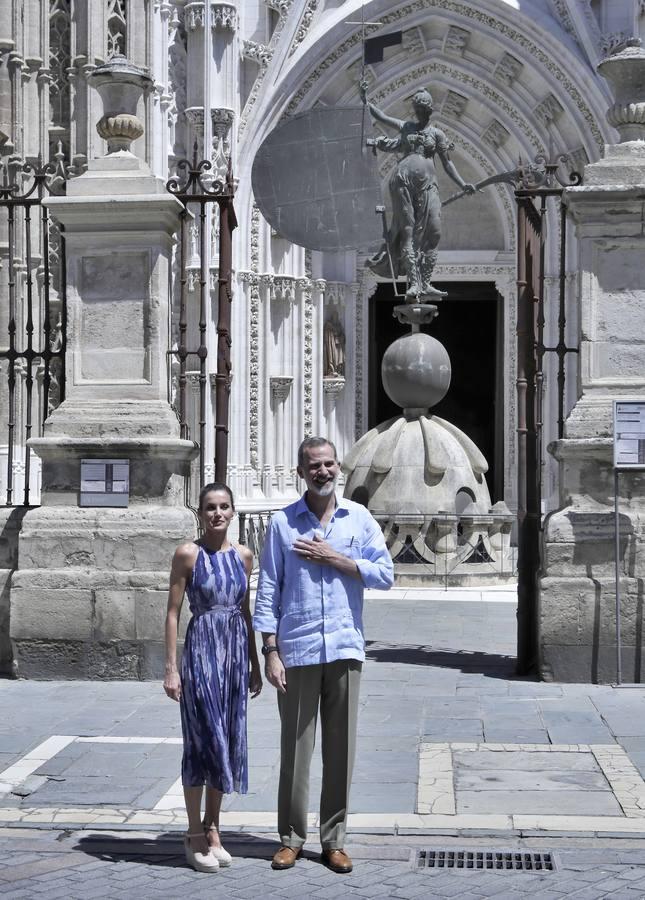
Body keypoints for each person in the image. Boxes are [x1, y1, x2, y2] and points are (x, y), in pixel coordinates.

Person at [253, 437, 394, 874]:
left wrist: (339, 559)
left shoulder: (359, 519)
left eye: (330, 464)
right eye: (315, 465)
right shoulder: (282, 524)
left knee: (341, 750)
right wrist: (270, 651)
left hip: (346, 646)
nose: (323, 471)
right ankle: (291, 838)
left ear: (339, 469)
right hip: (297, 650)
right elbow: (268, 591)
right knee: (296, 749)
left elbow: (385, 574)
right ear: (301, 471)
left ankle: (334, 839)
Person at [164, 482, 262, 873]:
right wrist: (171, 669)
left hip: (235, 655)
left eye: (224, 507)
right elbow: (172, 612)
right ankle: (192, 834)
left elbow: (246, 611)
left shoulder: (244, 556)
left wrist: (254, 662)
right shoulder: (188, 554)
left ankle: (214, 829)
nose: (217, 513)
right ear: (200, 513)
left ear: (234, 512)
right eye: (210, 507)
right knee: (202, 740)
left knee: (228, 740)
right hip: (202, 652)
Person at [361, 82, 476, 298]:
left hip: (429, 185)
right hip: (403, 181)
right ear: (415, 110)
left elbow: (448, 163)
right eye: (418, 108)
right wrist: (365, 98)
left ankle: (425, 281)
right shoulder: (406, 127)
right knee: (407, 231)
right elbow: (382, 116)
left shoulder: (437, 134)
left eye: (424, 108)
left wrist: (463, 183)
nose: (421, 112)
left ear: (430, 111)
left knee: (434, 231)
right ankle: (414, 284)